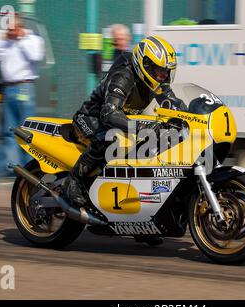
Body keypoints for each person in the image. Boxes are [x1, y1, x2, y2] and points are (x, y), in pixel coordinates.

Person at [63, 36, 185, 245]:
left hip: (119, 120)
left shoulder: (155, 81)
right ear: (145, 65)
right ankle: (74, 180)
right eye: (159, 71)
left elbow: (172, 102)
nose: (163, 76)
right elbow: (109, 113)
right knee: (108, 141)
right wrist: (141, 127)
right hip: (90, 118)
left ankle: (141, 220)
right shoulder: (124, 74)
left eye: (166, 72)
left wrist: (185, 116)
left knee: (149, 150)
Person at [0, 14, 45, 166]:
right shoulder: (6, 42)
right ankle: (13, 166)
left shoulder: (33, 40)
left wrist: (21, 39)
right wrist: (4, 40)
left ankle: (29, 166)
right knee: (9, 131)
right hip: (8, 89)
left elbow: (36, 56)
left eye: (14, 28)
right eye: (9, 29)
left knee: (26, 130)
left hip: (24, 88)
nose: (11, 32)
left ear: (20, 27)